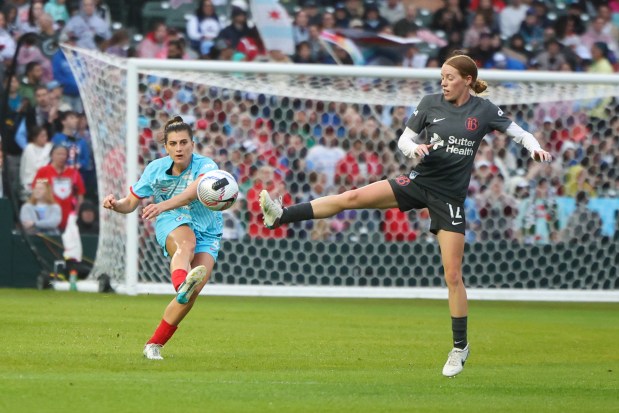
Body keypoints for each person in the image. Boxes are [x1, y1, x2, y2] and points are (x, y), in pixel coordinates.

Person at [259, 53, 552, 377]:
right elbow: (404, 139)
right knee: (352, 196)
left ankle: (460, 347)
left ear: (468, 80)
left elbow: (519, 132)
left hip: (449, 198)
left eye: (450, 77)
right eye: (442, 76)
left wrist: (533, 147)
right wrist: (412, 149)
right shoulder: (430, 103)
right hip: (418, 182)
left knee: (452, 275)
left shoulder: (483, 110)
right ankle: (280, 215)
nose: (444, 82)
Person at [103, 116, 223, 360]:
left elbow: (192, 193)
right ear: (166, 147)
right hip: (172, 220)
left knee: (194, 292)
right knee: (185, 243)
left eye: (183, 143)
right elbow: (129, 204)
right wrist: (115, 205)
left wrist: (161, 204)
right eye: (173, 144)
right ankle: (182, 284)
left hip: (209, 229)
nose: (179, 148)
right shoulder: (155, 170)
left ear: (193, 144)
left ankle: (154, 344)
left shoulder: (206, 166)